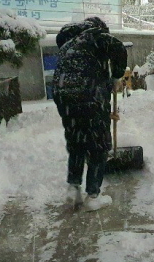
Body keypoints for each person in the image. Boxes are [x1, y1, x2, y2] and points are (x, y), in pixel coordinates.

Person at [53, 17, 127, 211]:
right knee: (97, 145)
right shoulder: (95, 36)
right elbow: (118, 47)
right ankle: (93, 195)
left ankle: (73, 188)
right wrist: (117, 76)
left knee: (77, 141)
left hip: (63, 95)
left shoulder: (70, 43)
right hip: (88, 95)